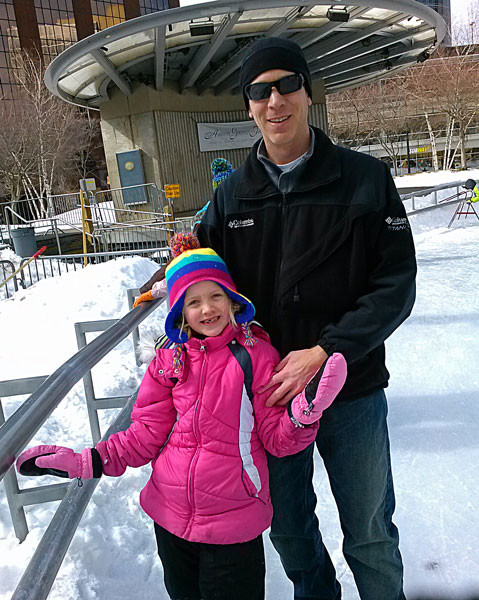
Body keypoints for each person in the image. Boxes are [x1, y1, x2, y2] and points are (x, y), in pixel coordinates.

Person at [195, 37, 417, 600]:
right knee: (290, 532)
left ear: (307, 92)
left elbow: (394, 287)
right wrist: (184, 268)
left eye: (286, 85)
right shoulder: (231, 199)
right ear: (247, 105)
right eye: (260, 91)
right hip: (270, 398)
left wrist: (327, 350)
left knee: (368, 533)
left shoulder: (365, 180)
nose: (275, 101)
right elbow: (212, 292)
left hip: (353, 389)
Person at [16, 232, 347, 600]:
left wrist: (303, 415)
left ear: (233, 301)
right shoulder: (169, 361)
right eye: (194, 302)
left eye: (216, 296)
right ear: (179, 311)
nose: (207, 309)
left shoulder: (256, 356)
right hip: (170, 519)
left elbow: (275, 438)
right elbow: (144, 433)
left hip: (232, 523)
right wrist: (87, 461)